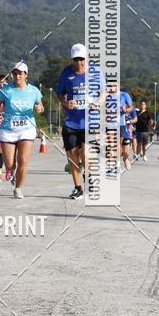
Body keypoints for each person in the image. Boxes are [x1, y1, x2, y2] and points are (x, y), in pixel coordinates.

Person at [56, 43, 102, 200]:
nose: (79, 63)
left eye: (81, 59)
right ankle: (78, 188)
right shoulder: (66, 73)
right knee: (72, 156)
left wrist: (98, 103)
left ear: (86, 58)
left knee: (86, 155)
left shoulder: (95, 72)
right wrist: (64, 102)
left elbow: (103, 92)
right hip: (71, 122)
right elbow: (60, 94)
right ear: (71, 59)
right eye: (75, 60)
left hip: (90, 122)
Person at [0, 62, 43, 199]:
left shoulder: (34, 91)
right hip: (8, 130)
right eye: (14, 73)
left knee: (23, 160)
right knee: (9, 164)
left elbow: (40, 105)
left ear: (26, 75)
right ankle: (11, 172)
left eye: (20, 73)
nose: (17, 75)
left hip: (27, 129)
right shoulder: (6, 90)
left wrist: (39, 109)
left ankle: (18, 188)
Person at [119, 86, 134, 170]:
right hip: (115, 126)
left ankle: (126, 159)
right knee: (118, 147)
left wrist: (130, 121)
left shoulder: (132, 109)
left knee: (126, 151)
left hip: (126, 129)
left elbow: (135, 118)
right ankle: (116, 165)